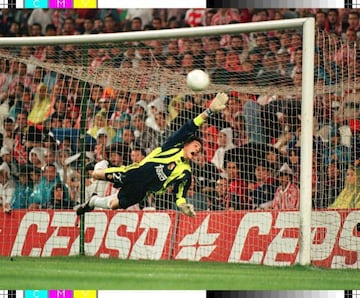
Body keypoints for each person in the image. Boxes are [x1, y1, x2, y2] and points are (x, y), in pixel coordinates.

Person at [75, 92, 229, 217]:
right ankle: (103, 163)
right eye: (196, 145)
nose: (197, 150)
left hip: (142, 191)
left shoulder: (185, 172)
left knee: (112, 205)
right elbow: (189, 127)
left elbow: (179, 193)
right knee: (95, 174)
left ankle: (93, 201)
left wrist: (183, 206)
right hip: (132, 174)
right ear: (186, 144)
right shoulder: (172, 147)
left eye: (199, 150)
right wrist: (208, 112)